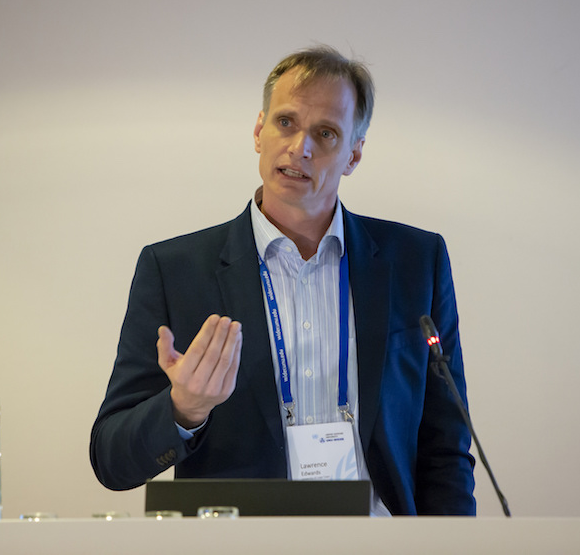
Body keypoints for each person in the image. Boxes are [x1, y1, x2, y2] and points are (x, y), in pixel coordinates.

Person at [90, 45, 476, 515]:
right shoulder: (174, 270)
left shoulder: (417, 261)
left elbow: (446, 449)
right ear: (258, 130)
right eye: (286, 122)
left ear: (354, 154)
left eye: (326, 133)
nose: (300, 148)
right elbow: (111, 460)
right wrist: (183, 409)